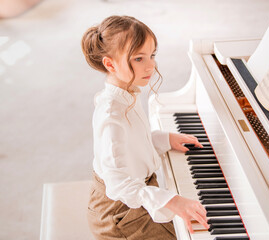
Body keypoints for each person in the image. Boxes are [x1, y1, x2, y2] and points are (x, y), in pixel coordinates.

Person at [81, 15, 209, 240]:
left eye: (152, 55)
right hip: (119, 214)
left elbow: (134, 140)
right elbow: (118, 183)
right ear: (110, 64)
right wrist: (172, 200)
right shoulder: (110, 114)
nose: (151, 65)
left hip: (134, 195)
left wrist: (164, 139)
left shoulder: (125, 92)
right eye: (139, 58)